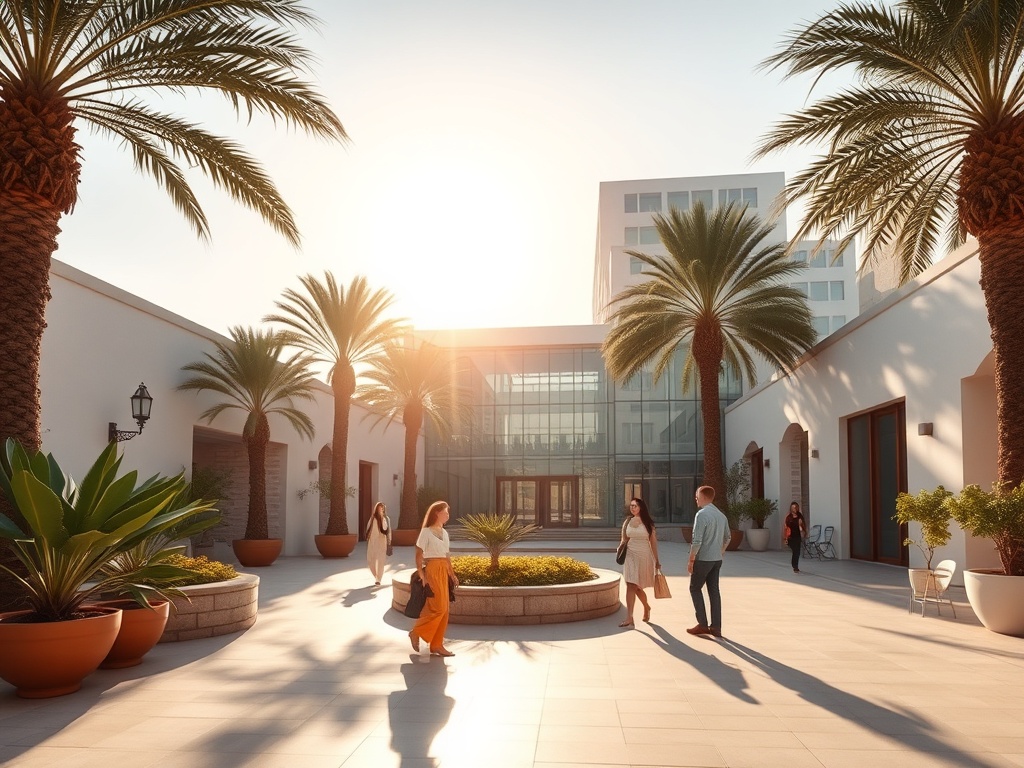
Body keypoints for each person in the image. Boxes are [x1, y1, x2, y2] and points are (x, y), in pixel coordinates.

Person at [408, 500, 459, 657]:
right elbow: (418, 554)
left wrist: (452, 574)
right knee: (438, 608)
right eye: (446, 512)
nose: (448, 515)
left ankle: (437, 645)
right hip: (432, 569)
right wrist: (421, 575)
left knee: (445, 610)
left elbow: (447, 556)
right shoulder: (426, 532)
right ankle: (416, 632)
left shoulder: (445, 533)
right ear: (437, 513)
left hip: (443, 570)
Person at [687, 485, 731, 637]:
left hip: (703, 559)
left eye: (697, 496)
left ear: (704, 497)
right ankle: (716, 627)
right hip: (716, 559)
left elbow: (697, 540)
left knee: (695, 588)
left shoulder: (701, 514)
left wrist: (691, 559)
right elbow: (728, 537)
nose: (695, 499)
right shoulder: (721, 516)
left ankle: (703, 624)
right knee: (714, 591)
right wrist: (720, 551)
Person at [618, 497, 660, 627]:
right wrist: (619, 551)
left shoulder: (648, 523)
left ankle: (646, 607)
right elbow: (623, 539)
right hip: (630, 554)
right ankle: (629, 617)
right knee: (630, 585)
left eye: (635, 506)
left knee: (637, 587)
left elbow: (653, 543)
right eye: (631, 506)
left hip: (644, 555)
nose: (632, 508)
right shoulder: (627, 521)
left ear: (641, 507)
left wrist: (657, 561)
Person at [366, 501, 392, 585]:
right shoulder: (372, 518)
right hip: (373, 542)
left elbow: (387, 530)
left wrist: (389, 541)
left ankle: (378, 579)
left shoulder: (385, 519)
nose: (381, 510)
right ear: (376, 509)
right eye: (379, 508)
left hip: (382, 542)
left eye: (382, 508)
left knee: (380, 561)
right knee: (370, 561)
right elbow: (368, 529)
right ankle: (376, 576)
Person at [784, 501, 807, 573]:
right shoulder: (789, 517)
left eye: (796, 507)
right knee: (795, 551)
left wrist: (801, 526)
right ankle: (794, 565)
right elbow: (786, 528)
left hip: (797, 536)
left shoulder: (800, 516)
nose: (795, 509)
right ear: (791, 508)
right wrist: (786, 538)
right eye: (794, 507)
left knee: (797, 552)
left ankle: (795, 566)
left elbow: (803, 526)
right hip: (791, 537)